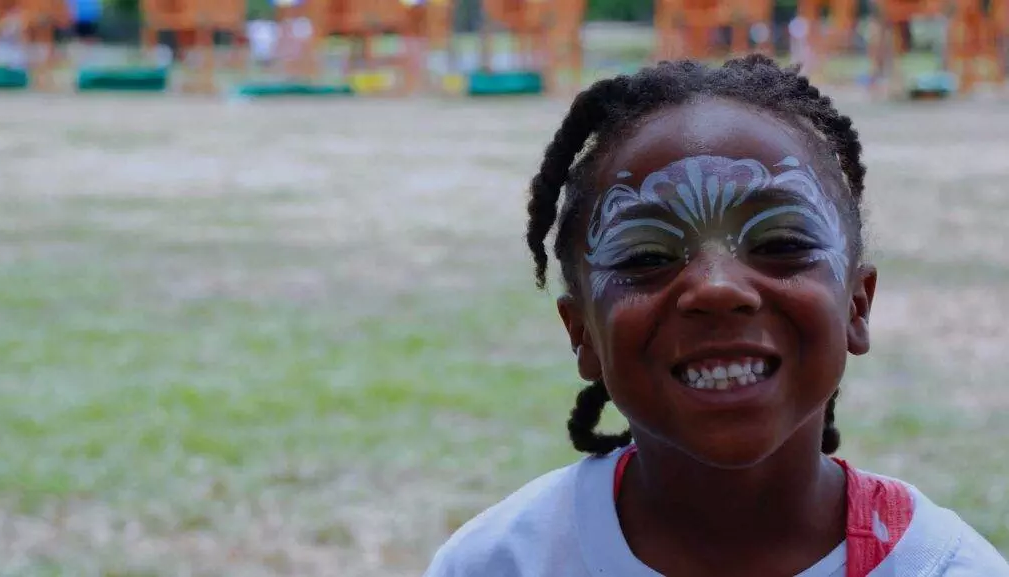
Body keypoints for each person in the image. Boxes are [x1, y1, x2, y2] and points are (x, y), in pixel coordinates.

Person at [423, 55, 1009, 577]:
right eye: (646, 256)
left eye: (781, 243)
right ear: (583, 334)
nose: (717, 288)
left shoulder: (946, 566)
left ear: (857, 303)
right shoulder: (500, 562)